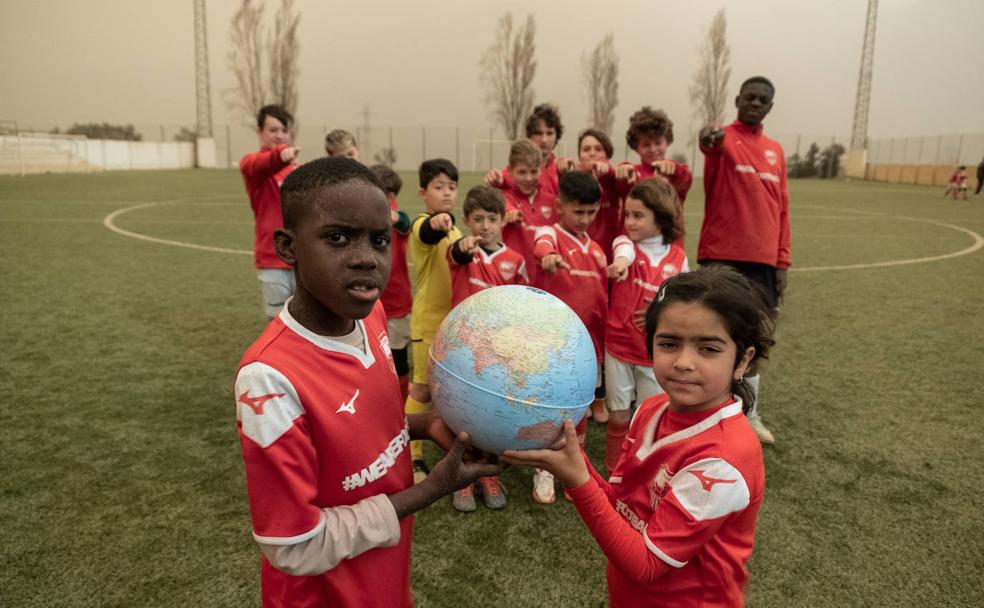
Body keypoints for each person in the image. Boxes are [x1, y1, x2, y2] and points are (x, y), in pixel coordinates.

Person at [234, 156, 502, 607]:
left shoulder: (370, 315)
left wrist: (427, 425)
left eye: (379, 240)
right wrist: (431, 488)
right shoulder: (269, 379)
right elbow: (295, 547)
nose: (365, 259)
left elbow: (360, 429)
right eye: (338, 237)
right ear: (288, 247)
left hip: (382, 576)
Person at [502, 266, 776, 608]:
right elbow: (622, 505)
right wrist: (571, 460)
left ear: (742, 360)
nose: (683, 362)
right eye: (669, 343)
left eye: (708, 349)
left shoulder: (724, 461)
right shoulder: (651, 409)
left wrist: (577, 481)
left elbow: (645, 564)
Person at [697, 75, 790, 444]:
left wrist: (782, 261)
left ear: (769, 105)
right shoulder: (723, 139)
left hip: (764, 263)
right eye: (749, 97)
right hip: (721, 257)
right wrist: (709, 136)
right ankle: (706, 414)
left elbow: (783, 208)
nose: (755, 103)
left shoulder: (776, 150)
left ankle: (748, 415)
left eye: (762, 99)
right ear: (738, 100)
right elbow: (709, 142)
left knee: (756, 341)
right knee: (711, 337)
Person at [445, 184, 528, 512]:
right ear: (466, 220)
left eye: (491, 218)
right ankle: (463, 476)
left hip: (498, 351)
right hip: (463, 347)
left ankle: (489, 473)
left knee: (490, 411)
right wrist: (462, 247)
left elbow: (522, 302)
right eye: (477, 219)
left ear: (502, 220)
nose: (484, 225)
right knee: (462, 410)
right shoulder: (462, 251)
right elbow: (456, 254)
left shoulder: (515, 260)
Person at [531, 171, 607, 504]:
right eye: (579, 212)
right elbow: (541, 246)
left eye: (591, 212)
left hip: (588, 349)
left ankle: (576, 469)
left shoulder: (599, 252)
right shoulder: (552, 234)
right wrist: (547, 257)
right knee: (552, 408)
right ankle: (545, 469)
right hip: (551, 347)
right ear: (560, 205)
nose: (585, 219)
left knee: (582, 411)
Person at [604, 179, 689, 474]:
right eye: (627, 214)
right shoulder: (626, 245)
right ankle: (614, 469)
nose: (629, 221)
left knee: (647, 419)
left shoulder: (678, 259)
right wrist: (621, 263)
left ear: (661, 217)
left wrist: (660, 311)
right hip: (618, 347)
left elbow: (686, 304)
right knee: (617, 416)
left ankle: (638, 470)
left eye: (638, 215)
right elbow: (622, 249)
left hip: (653, 356)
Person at [405, 159, 462, 483]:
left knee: (449, 391)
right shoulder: (423, 224)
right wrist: (437, 220)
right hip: (427, 323)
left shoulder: (455, 230)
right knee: (422, 390)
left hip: (454, 324)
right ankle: (410, 458)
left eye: (451, 188)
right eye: (438, 187)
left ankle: (451, 446)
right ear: (423, 193)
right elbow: (427, 232)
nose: (446, 193)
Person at [239, 104, 301, 319]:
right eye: (273, 130)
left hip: (301, 257)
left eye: (284, 130)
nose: (280, 135)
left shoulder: (295, 168)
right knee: (279, 324)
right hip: (272, 260)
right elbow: (262, 164)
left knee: (308, 323)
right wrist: (280, 155)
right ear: (260, 132)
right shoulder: (252, 164)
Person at [615, 107, 692, 244]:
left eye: (658, 143)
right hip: (635, 254)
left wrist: (673, 170)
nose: (653, 149)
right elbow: (621, 183)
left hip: (670, 254)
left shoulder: (676, 172)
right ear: (635, 147)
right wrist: (624, 172)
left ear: (667, 141)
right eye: (646, 145)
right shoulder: (632, 173)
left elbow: (685, 178)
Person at [369, 164, 413, 402]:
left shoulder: (395, 217)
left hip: (396, 303)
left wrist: (394, 217)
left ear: (391, 197)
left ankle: (401, 401)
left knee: (397, 356)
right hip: (368, 301)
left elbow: (404, 222)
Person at [496, 139, 559, 284]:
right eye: (522, 172)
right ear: (510, 171)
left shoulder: (553, 202)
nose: (528, 178)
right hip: (513, 283)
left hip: (546, 285)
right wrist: (510, 215)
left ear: (541, 169)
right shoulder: (504, 199)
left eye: (533, 171)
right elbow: (505, 208)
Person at [486, 103, 565, 201]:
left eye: (549, 133)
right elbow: (499, 182)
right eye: (538, 133)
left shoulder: (561, 171)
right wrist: (494, 179)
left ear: (557, 136)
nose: (544, 140)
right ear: (529, 136)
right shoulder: (511, 174)